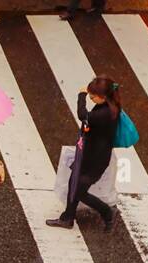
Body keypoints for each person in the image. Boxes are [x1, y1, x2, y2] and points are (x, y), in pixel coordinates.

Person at [47, 77, 120, 232]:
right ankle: (67, 217)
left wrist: (81, 96)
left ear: (104, 96)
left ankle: (108, 213)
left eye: (93, 96)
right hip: (88, 155)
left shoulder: (105, 113)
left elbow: (82, 115)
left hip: (95, 161)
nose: (91, 98)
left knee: (79, 191)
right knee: (73, 184)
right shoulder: (109, 105)